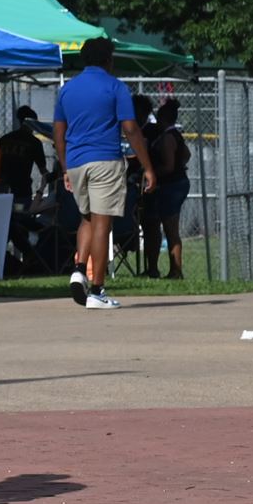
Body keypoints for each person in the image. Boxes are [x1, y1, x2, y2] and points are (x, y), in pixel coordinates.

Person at [54, 38, 156, 308]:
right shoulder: (115, 87)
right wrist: (147, 166)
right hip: (105, 160)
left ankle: (78, 269)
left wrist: (65, 167)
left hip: (76, 162)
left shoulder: (67, 89)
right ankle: (97, 290)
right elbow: (131, 128)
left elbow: (59, 132)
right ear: (108, 60)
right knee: (103, 224)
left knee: (86, 219)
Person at [144, 97, 190, 279]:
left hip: (172, 186)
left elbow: (169, 166)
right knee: (167, 228)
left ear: (163, 119)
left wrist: (152, 173)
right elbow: (187, 154)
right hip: (177, 183)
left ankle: (176, 271)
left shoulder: (167, 138)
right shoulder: (176, 135)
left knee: (171, 230)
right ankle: (171, 270)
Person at [0, 104, 51, 202]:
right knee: (23, 214)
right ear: (33, 123)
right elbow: (43, 170)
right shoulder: (34, 142)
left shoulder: (4, 139)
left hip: (2, 187)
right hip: (22, 189)